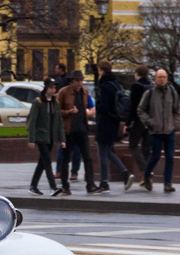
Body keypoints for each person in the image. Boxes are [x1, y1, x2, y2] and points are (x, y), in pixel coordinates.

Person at [137, 69, 180, 192]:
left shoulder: (172, 92)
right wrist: (149, 121)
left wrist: (175, 124)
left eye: (164, 77)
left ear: (167, 79)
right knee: (155, 156)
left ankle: (167, 183)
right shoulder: (150, 93)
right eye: (159, 77)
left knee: (170, 157)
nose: (162, 79)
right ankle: (147, 175)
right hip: (155, 130)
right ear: (155, 79)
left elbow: (178, 108)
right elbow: (141, 110)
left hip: (169, 130)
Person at [55, 70, 99, 195]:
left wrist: (88, 114)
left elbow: (90, 108)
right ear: (72, 81)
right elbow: (57, 111)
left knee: (88, 158)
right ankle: (65, 185)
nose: (79, 83)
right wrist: (69, 112)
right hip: (68, 131)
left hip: (82, 129)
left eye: (81, 80)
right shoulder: (63, 92)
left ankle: (90, 185)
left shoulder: (85, 91)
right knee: (65, 158)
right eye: (77, 81)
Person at [94, 60, 132, 193]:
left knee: (102, 152)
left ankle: (104, 182)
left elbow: (103, 106)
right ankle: (125, 174)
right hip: (115, 122)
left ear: (101, 70)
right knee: (108, 151)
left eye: (99, 70)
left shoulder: (104, 86)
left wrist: (97, 107)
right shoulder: (117, 85)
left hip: (104, 122)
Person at [26, 78, 64, 196]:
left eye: (54, 88)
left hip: (51, 137)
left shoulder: (55, 103)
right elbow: (32, 121)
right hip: (41, 136)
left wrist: (62, 139)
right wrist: (31, 139)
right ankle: (53, 187)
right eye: (51, 88)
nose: (53, 90)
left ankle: (33, 186)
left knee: (42, 163)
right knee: (47, 161)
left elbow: (59, 122)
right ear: (46, 88)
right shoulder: (38, 102)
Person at [126, 65, 152, 183]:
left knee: (133, 146)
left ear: (137, 73)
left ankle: (145, 170)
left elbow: (133, 106)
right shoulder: (151, 86)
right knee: (146, 148)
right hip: (149, 121)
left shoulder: (136, 86)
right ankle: (147, 177)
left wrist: (127, 123)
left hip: (138, 120)